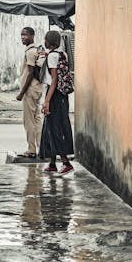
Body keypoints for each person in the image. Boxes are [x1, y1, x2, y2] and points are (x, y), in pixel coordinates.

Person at [39, 30, 74, 175]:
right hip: (62, 95)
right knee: (50, 127)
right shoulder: (61, 54)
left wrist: (47, 101)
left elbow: (54, 80)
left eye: (45, 40)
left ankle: (66, 162)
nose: (44, 42)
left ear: (49, 41)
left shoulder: (53, 57)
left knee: (55, 128)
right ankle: (52, 163)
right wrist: (47, 55)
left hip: (54, 95)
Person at [16, 26, 43, 158]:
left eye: (25, 35)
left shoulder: (30, 52)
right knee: (37, 119)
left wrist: (22, 92)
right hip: (38, 88)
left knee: (29, 121)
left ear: (32, 36)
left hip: (30, 90)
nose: (23, 37)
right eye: (21, 35)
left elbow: (31, 73)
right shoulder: (37, 50)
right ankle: (41, 147)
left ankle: (31, 150)